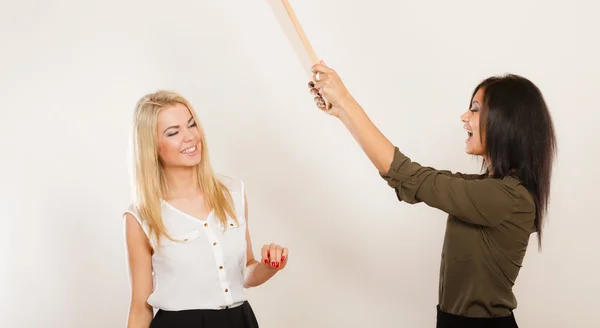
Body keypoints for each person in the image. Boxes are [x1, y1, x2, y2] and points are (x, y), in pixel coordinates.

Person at [308, 61, 556, 328]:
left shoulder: (508, 198)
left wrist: (346, 100)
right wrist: (341, 112)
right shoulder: (488, 189)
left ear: (506, 123)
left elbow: (409, 176)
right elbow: (410, 176)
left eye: (474, 109)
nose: (464, 117)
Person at [123, 90, 288, 328]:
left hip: (240, 321)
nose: (190, 137)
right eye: (173, 132)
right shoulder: (141, 216)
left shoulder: (232, 193)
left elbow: (245, 273)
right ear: (152, 146)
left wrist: (270, 266)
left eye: (191, 125)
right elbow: (140, 309)